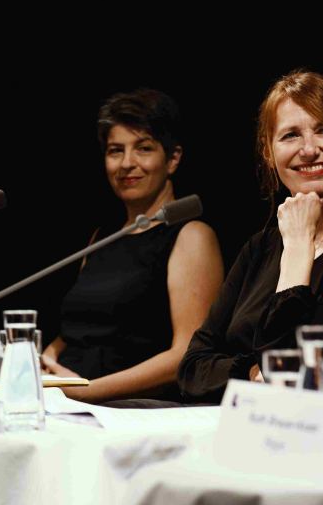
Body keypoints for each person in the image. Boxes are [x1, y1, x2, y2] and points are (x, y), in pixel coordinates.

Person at [177, 70, 323, 404]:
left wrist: (299, 250)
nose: (309, 149)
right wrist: (255, 374)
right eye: (290, 136)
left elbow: (299, 381)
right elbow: (192, 369)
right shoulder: (259, 247)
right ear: (269, 153)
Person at [41, 88, 224, 403]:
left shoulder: (192, 236)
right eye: (115, 151)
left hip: (131, 410)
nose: (127, 163)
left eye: (144, 148)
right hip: (66, 400)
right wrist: (49, 357)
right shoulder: (102, 237)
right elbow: (82, 327)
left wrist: (85, 390)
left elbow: (188, 354)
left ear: (173, 159)